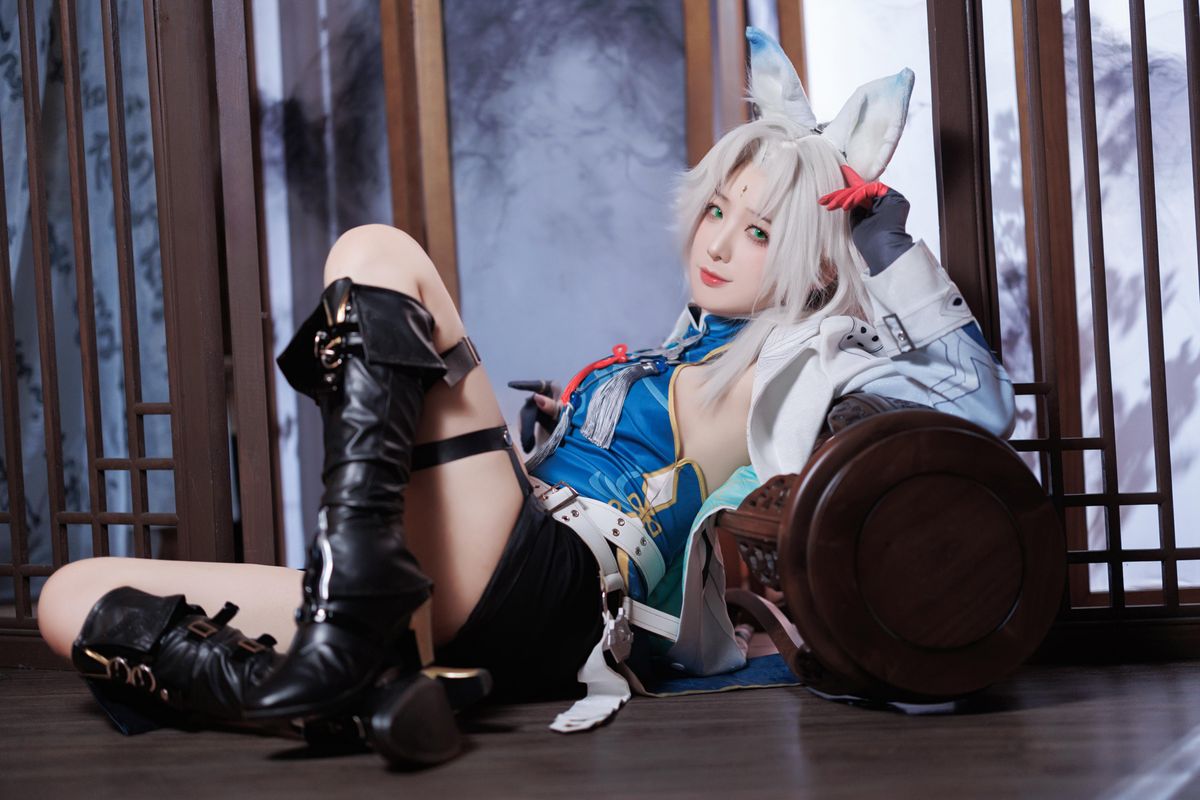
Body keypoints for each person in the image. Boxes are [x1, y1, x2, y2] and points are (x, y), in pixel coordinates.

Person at [35, 28, 1014, 761]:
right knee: (74, 600)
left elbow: (976, 408)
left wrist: (890, 249)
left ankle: (357, 623)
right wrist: (562, 430)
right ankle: (363, 680)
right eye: (717, 208)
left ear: (811, 258)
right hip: (486, 578)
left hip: (560, 587)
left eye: (759, 232)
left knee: (376, 251)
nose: (718, 240)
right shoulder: (681, 345)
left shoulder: (791, 356)